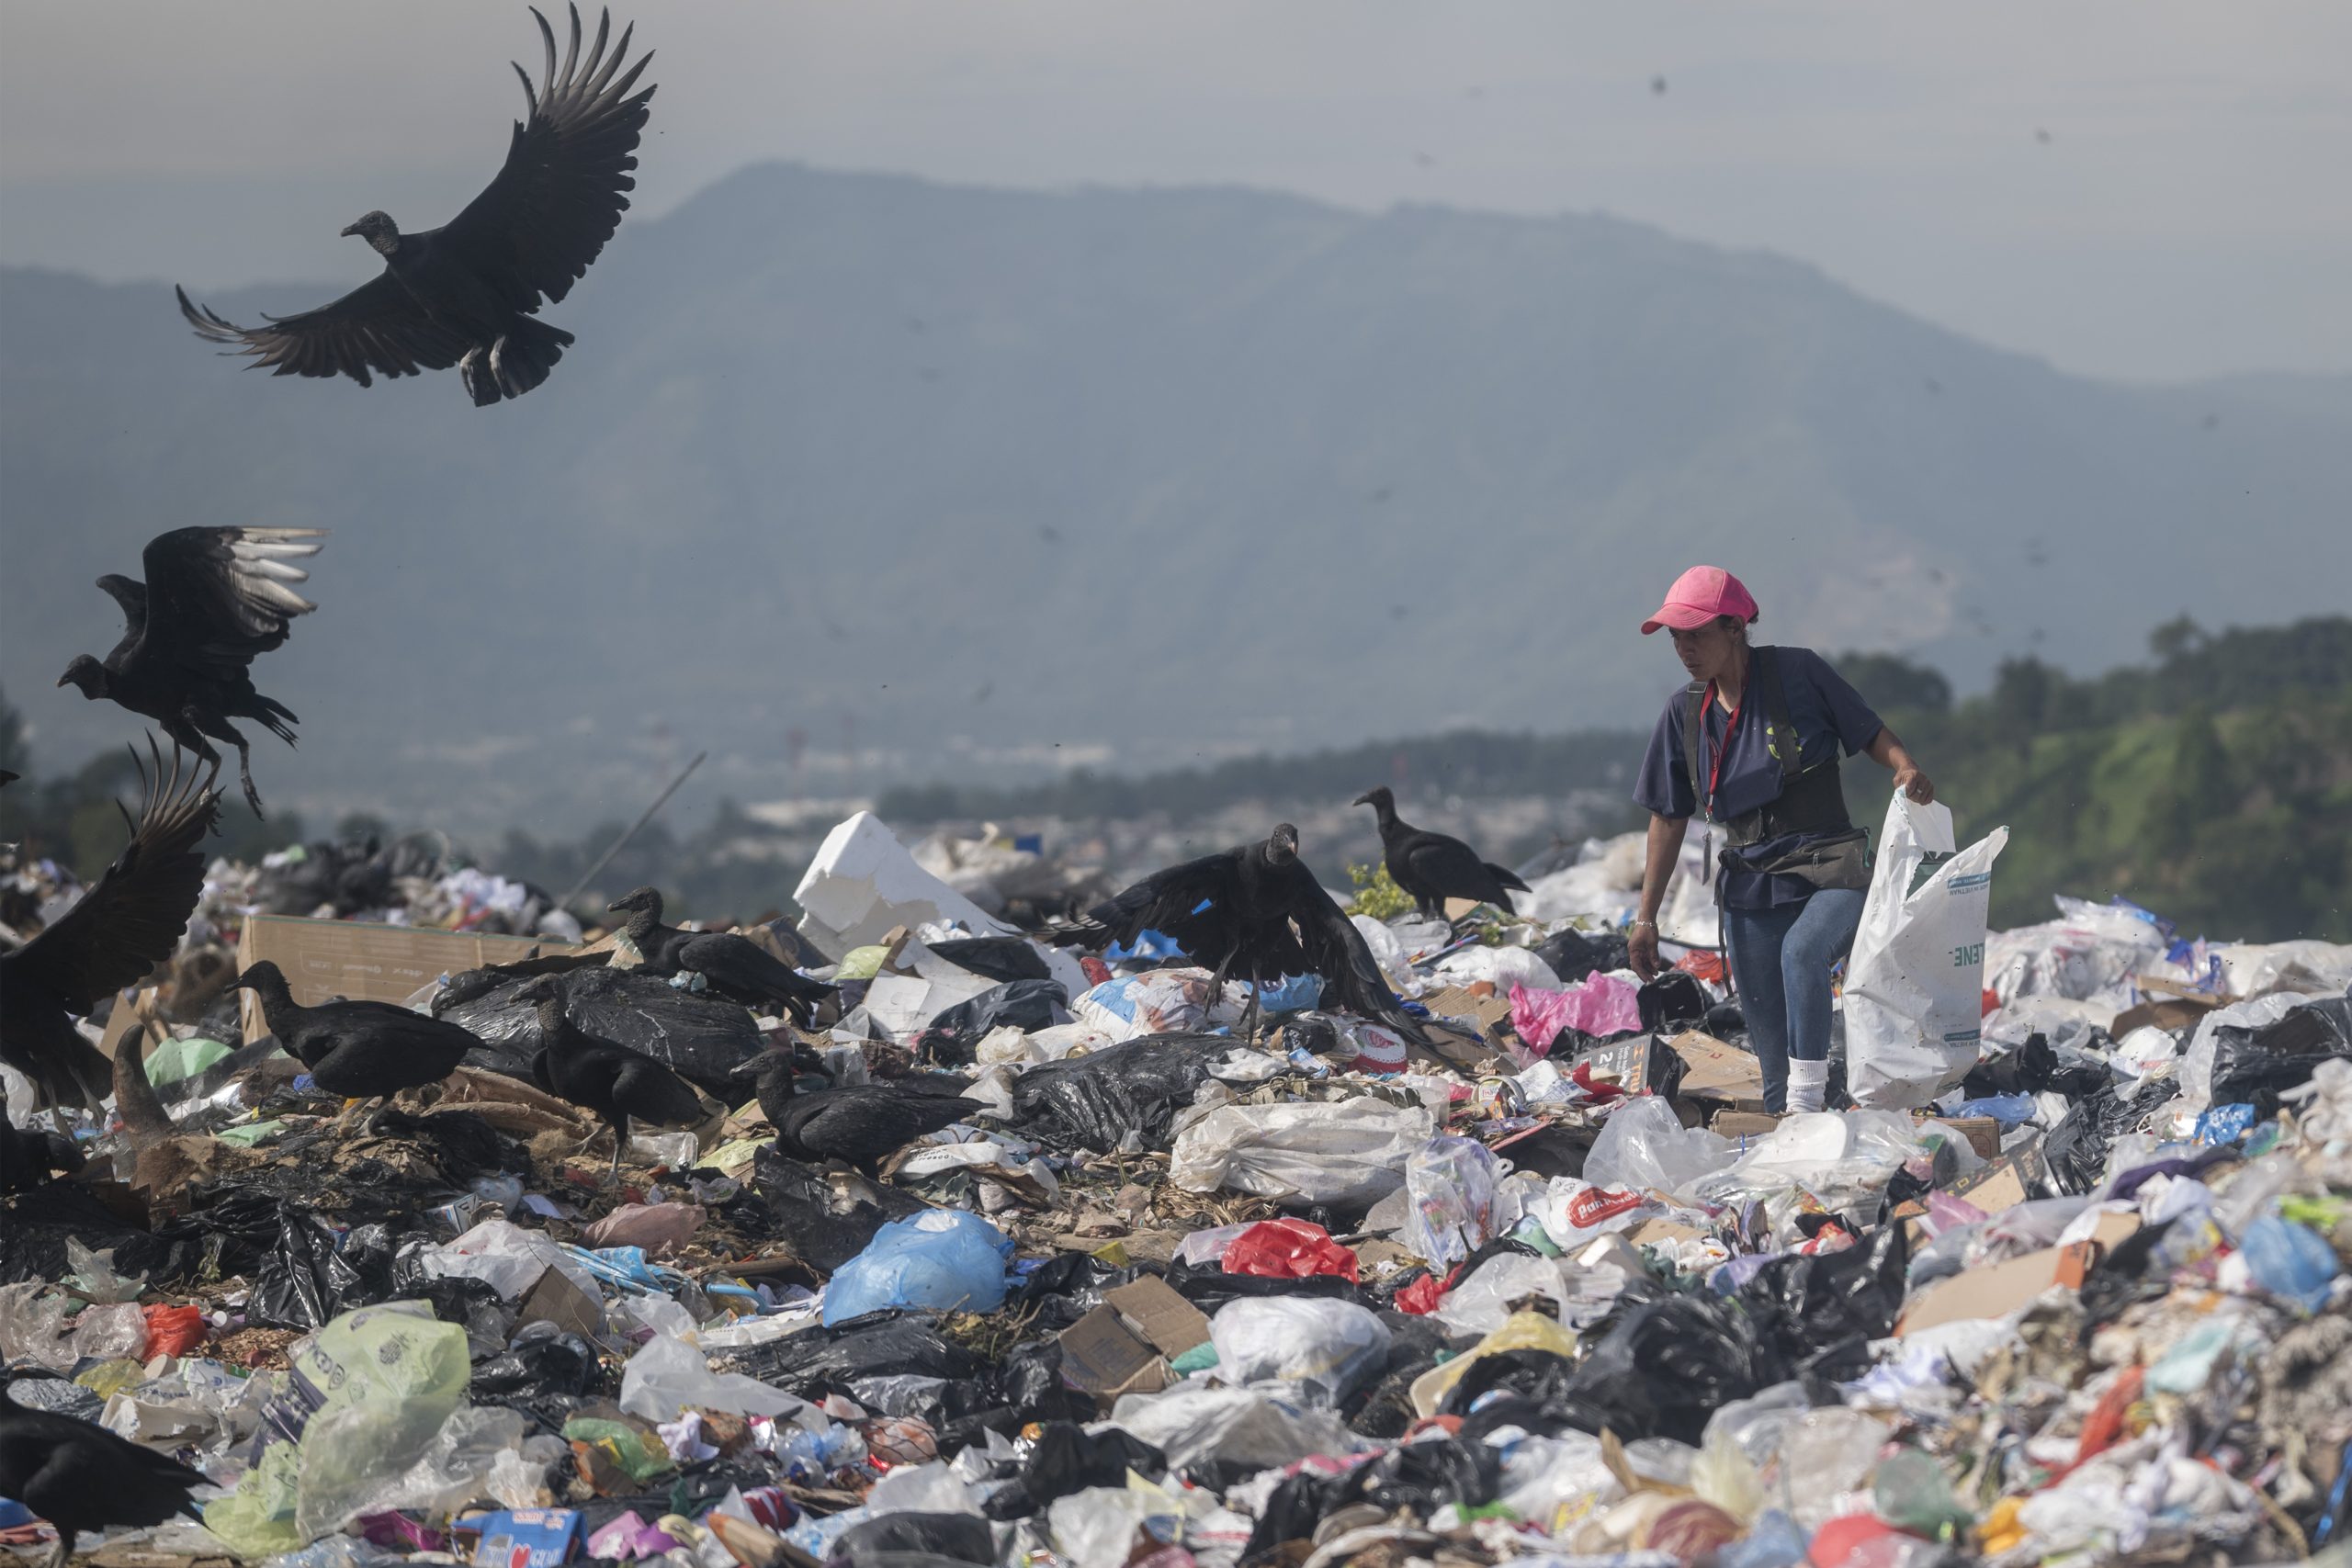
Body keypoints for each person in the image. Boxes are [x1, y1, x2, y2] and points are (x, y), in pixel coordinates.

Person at [1625, 565, 1934, 1113]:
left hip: (1832, 863)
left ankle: (1809, 1106)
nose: (1684, 647)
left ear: (1736, 628)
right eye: (1675, 636)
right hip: (1751, 882)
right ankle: (1797, 1141)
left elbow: (1867, 731)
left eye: (1696, 633)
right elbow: (1667, 819)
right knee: (1773, 1074)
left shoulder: (1798, 672)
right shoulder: (1685, 714)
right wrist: (1645, 918)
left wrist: (1905, 766)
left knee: (1803, 953)